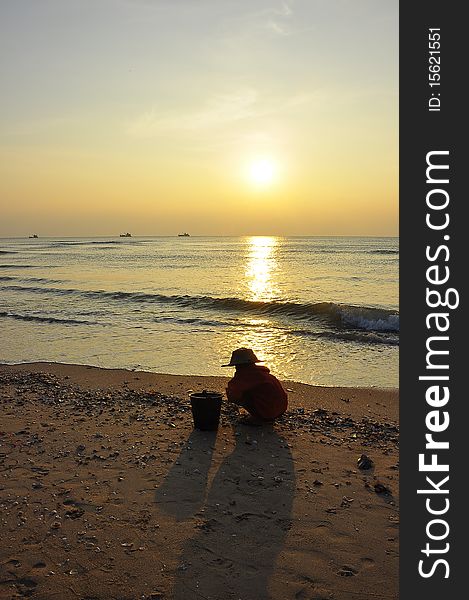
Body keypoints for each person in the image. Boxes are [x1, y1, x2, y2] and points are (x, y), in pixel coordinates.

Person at [222, 348, 288, 424]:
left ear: (239, 366)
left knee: (243, 394)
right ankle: (265, 414)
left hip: (268, 413)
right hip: (281, 410)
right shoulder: (265, 374)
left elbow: (233, 394)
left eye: (236, 366)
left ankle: (259, 418)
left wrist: (230, 393)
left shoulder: (245, 376)